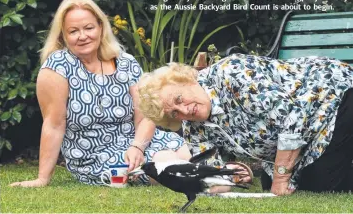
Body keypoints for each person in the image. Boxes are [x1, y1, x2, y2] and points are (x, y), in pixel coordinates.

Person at [9, 0, 192, 187]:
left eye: (89, 28)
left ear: (101, 27)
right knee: (167, 163)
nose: (83, 36)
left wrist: (137, 147)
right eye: (73, 31)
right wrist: (42, 178)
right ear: (63, 34)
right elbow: (54, 125)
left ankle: (217, 185)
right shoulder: (57, 66)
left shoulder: (125, 62)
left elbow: (145, 114)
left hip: (139, 142)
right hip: (96, 156)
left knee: (186, 156)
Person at [137, 53, 353, 195]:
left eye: (178, 99)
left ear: (185, 80)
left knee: (322, 184)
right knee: (275, 185)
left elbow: (293, 117)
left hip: (332, 100)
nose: (184, 110)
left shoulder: (232, 73)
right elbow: (208, 171)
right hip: (305, 135)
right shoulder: (193, 127)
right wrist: (233, 172)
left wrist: (281, 176)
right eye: (175, 113)